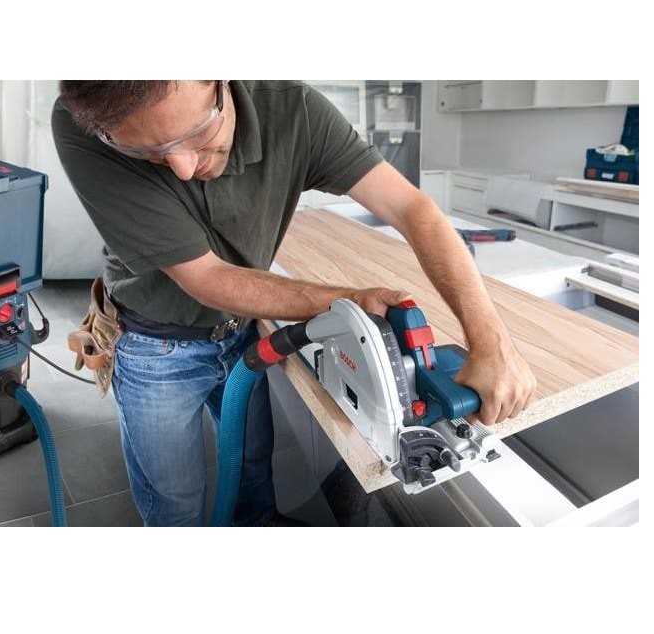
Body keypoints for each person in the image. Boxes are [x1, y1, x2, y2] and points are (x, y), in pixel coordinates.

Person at [52, 80, 536, 527]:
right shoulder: (83, 122)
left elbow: (413, 208)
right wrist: (350, 301)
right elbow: (206, 278)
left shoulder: (293, 109)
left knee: (251, 466)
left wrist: (491, 344)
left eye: (197, 133)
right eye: (147, 152)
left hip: (240, 332)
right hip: (154, 344)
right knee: (173, 500)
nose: (182, 168)